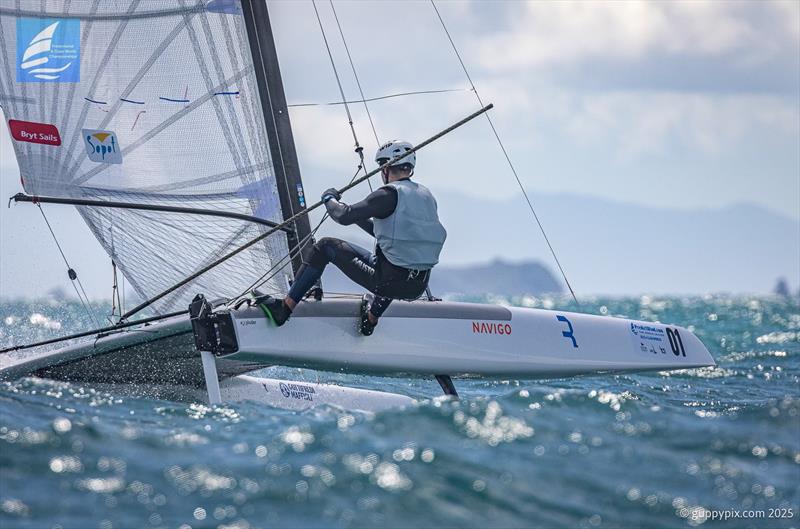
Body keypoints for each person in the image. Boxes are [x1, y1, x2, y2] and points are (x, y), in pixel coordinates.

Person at [260, 140, 447, 335]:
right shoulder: (426, 196)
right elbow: (384, 233)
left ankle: (284, 308)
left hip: (388, 282)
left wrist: (329, 199)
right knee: (393, 260)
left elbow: (342, 216)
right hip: (417, 286)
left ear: (385, 168)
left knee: (325, 247)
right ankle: (370, 320)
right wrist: (357, 214)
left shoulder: (387, 195)